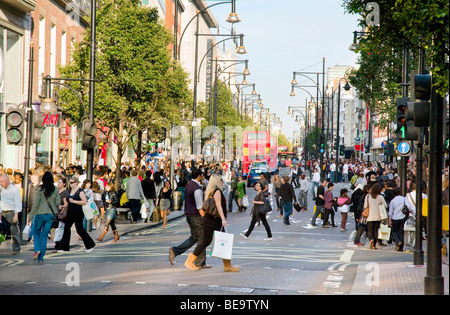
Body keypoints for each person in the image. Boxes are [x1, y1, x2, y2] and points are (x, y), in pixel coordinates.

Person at [185, 174, 239, 272]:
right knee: (208, 242)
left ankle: (227, 266)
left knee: (220, 241)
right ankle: (189, 261)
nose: (222, 181)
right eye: (221, 180)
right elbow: (219, 206)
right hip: (213, 221)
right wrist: (223, 219)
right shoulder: (217, 191)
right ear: (217, 181)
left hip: (211, 220)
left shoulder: (211, 191)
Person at [169, 169, 208, 269]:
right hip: (196, 216)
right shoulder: (197, 189)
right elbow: (199, 206)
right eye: (201, 175)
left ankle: (175, 251)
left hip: (189, 215)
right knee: (202, 239)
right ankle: (200, 262)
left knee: (194, 238)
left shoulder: (189, 185)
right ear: (199, 176)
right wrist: (205, 218)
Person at [27, 172, 60, 263]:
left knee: (36, 233)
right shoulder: (55, 189)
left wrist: (30, 216)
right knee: (44, 236)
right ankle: (41, 258)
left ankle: (37, 249)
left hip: (40, 215)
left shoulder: (39, 190)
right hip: (50, 215)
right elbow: (57, 203)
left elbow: (35, 204)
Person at [58, 177, 96, 252]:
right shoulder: (70, 191)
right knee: (66, 228)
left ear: (76, 183)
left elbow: (84, 201)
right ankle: (64, 247)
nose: (70, 184)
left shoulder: (80, 191)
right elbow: (69, 202)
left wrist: (74, 201)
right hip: (70, 212)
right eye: (70, 182)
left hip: (78, 212)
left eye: (72, 183)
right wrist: (64, 206)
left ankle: (90, 245)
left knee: (79, 229)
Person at [0, 175, 22, 255]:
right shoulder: (1, 189)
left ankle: (16, 249)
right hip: (3, 212)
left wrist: (16, 215)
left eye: (2, 182)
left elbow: (18, 203)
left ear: (7, 181)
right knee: (1, 231)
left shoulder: (14, 190)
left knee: (14, 232)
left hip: (11, 212)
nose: (1, 183)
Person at [363, 183, 388, 250]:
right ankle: (374, 245)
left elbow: (365, 206)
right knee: (376, 230)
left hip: (370, 216)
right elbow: (385, 205)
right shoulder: (380, 197)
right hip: (378, 216)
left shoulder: (368, 196)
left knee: (369, 230)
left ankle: (371, 239)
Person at [388, 187, 407, 251]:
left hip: (395, 217)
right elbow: (408, 206)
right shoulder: (404, 199)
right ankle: (401, 247)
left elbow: (390, 212)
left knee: (394, 231)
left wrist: (390, 219)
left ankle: (397, 241)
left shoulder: (393, 201)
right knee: (401, 231)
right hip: (403, 216)